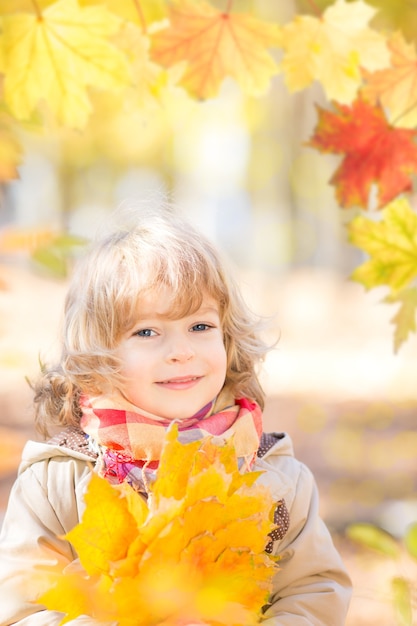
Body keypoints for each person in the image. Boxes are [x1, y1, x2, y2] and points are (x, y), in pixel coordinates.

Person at [0, 211, 351, 625]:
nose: (181, 351)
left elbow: (312, 591)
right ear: (98, 355)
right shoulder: (57, 481)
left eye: (200, 326)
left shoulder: (275, 476)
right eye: (147, 332)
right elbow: (26, 609)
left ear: (228, 336)